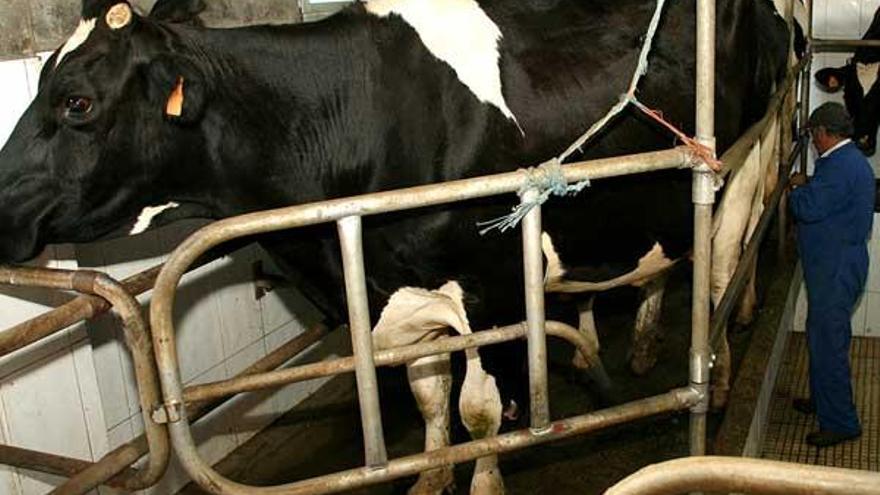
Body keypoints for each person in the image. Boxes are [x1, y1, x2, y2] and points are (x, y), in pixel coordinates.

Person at [789, 102, 875, 448]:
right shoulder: (845, 161)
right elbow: (829, 196)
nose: (812, 140)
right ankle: (823, 400)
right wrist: (808, 181)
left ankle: (841, 422)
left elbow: (810, 208)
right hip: (835, 265)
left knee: (829, 344)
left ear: (823, 133)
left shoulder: (841, 166)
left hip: (836, 269)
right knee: (821, 337)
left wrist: (795, 191)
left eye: (812, 134)